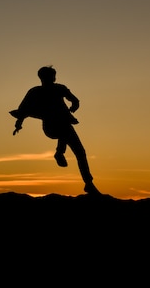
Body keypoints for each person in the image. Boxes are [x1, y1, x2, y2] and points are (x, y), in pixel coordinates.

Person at [10, 66, 101, 195]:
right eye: (52, 76)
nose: (53, 78)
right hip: (51, 127)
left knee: (80, 152)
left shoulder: (59, 88)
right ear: (44, 77)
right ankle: (59, 152)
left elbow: (75, 100)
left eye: (54, 75)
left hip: (64, 125)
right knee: (65, 131)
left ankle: (88, 184)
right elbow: (23, 110)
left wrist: (73, 106)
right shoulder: (35, 92)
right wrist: (18, 124)